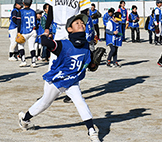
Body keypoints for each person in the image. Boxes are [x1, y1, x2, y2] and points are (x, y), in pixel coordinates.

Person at [18, 14, 100, 142]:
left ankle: (91, 131)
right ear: (69, 29)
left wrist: (94, 64)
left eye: (82, 23)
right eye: (77, 23)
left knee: (80, 101)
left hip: (72, 81)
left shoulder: (86, 46)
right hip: (57, 80)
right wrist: (45, 33)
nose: (81, 24)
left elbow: (90, 66)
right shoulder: (64, 45)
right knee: (45, 103)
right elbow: (45, 42)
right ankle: (24, 118)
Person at [17, 0, 38, 68]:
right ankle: (34, 62)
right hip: (33, 30)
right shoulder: (33, 11)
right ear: (31, 4)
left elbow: (19, 22)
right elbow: (36, 22)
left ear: (23, 3)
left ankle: (23, 61)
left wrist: (18, 32)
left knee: (20, 45)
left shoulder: (21, 12)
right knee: (32, 46)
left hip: (24, 31)